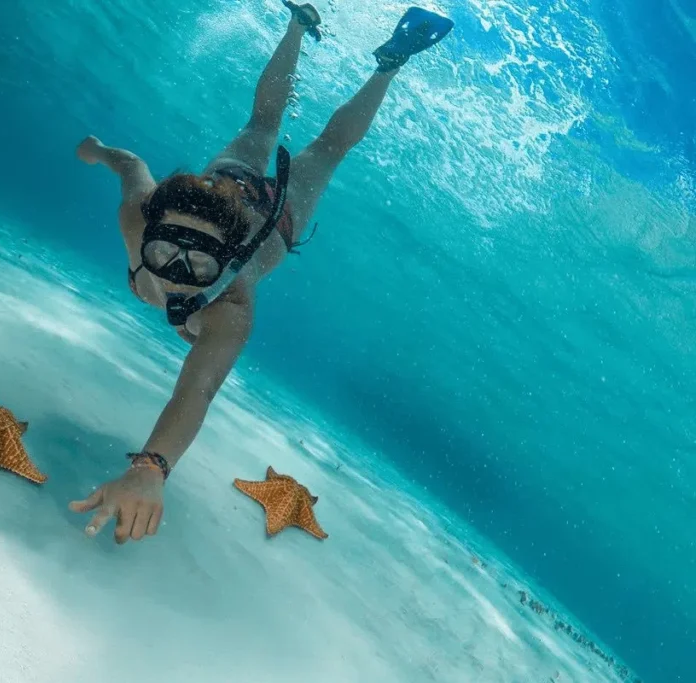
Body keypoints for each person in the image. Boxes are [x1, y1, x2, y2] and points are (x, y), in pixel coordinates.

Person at [70, 3, 454, 543]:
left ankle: (390, 63)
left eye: (200, 264)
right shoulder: (137, 217)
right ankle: (299, 22)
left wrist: (151, 467)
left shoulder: (231, 307)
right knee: (263, 123)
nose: (177, 274)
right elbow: (131, 166)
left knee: (328, 147)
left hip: (278, 214)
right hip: (224, 182)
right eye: (166, 251)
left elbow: (197, 391)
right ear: (150, 229)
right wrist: (98, 150)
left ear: (226, 261)